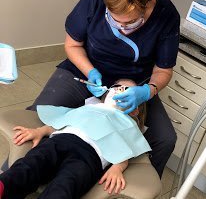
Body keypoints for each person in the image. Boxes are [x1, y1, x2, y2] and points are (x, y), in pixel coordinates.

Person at [26, 0, 180, 178]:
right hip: (85, 71)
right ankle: (17, 174)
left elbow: (163, 70)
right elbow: (73, 45)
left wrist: (147, 91)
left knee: (164, 138)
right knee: (40, 116)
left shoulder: (166, 15)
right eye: (115, 20)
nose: (122, 27)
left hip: (133, 85)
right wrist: (90, 72)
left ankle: (117, 180)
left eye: (131, 22)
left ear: (145, 7)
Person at [0, 79, 150, 199]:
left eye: (127, 90)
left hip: (88, 157)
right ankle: (3, 187)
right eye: (117, 86)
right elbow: (62, 121)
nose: (119, 90)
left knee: (66, 185)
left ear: (136, 109)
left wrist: (117, 168)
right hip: (60, 141)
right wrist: (40, 131)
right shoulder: (91, 107)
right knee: (32, 163)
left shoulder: (128, 124)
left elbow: (124, 151)